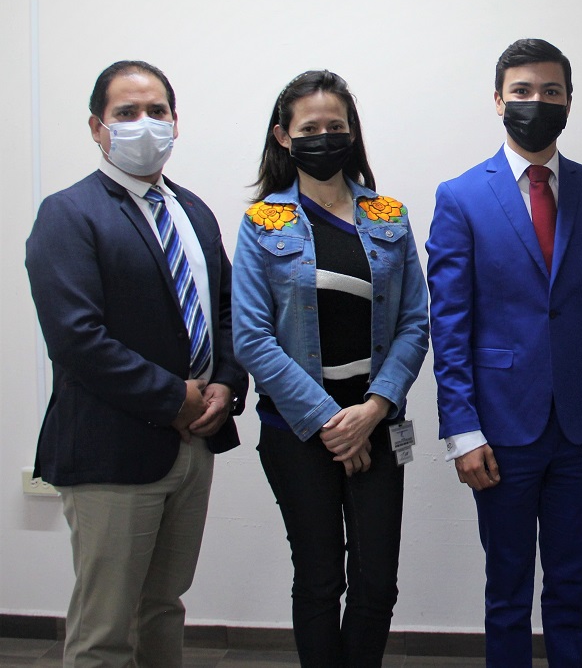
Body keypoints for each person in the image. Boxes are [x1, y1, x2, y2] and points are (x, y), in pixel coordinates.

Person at [25, 60, 248, 668]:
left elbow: (225, 310)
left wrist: (227, 384)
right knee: (106, 628)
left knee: (163, 607)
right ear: (97, 127)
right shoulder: (68, 214)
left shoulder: (193, 211)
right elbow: (77, 339)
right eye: (126, 113)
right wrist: (175, 398)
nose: (144, 124)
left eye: (157, 111)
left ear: (176, 121)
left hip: (194, 443)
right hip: (112, 450)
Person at [426, 39, 582, 667]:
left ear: (569, 101)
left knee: (570, 584)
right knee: (508, 588)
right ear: (498, 101)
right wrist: (461, 431)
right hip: (499, 428)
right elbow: (450, 325)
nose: (536, 102)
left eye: (551, 91)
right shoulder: (460, 196)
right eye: (521, 91)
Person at [231, 70, 429, 668]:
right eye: (309, 128)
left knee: (377, 583)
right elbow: (251, 337)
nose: (324, 137)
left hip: (380, 425)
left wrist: (371, 412)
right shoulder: (262, 223)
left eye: (335, 126)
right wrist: (329, 421)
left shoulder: (390, 215)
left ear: (352, 132)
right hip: (296, 433)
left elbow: (415, 323)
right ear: (283, 137)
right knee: (319, 581)